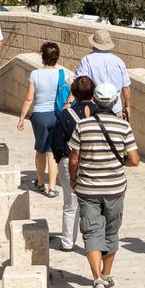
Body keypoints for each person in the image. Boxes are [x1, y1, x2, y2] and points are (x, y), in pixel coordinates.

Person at [68, 81, 140, 288]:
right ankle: (107, 275)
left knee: (91, 233)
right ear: (115, 102)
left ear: (96, 101)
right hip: (115, 188)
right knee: (111, 231)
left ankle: (97, 279)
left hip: (88, 188)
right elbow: (135, 160)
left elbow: (74, 159)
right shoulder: (123, 127)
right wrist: (120, 162)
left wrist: (73, 179)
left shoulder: (83, 126)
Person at [48, 74, 97, 251]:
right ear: (93, 92)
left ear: (74, 93)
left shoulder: (66, 115)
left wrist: (60, 158)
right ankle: (94, 244)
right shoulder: (100, 113)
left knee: (71, 204)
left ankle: (67, 242)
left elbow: (56, 142)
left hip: (70, 162)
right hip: (96, 162)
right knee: (95, 205)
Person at [26, 42, 71, 197]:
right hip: (57, 115)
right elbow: (71, 93)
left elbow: (29, 98)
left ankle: (40, 183)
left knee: (40, 149)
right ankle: (52, 188)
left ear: (42, 57)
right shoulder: (63, 74)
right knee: (52, 152)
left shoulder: (35, 74)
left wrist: (21, 117)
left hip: (39, 115)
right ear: (57, 57)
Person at [75, 32, 131, 119]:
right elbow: (126, 88)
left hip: (94, 109)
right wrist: (127, 106)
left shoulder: (87, 60)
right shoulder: (119, 61)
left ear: (94, 44)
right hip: (115, 109)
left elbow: (79, 83)